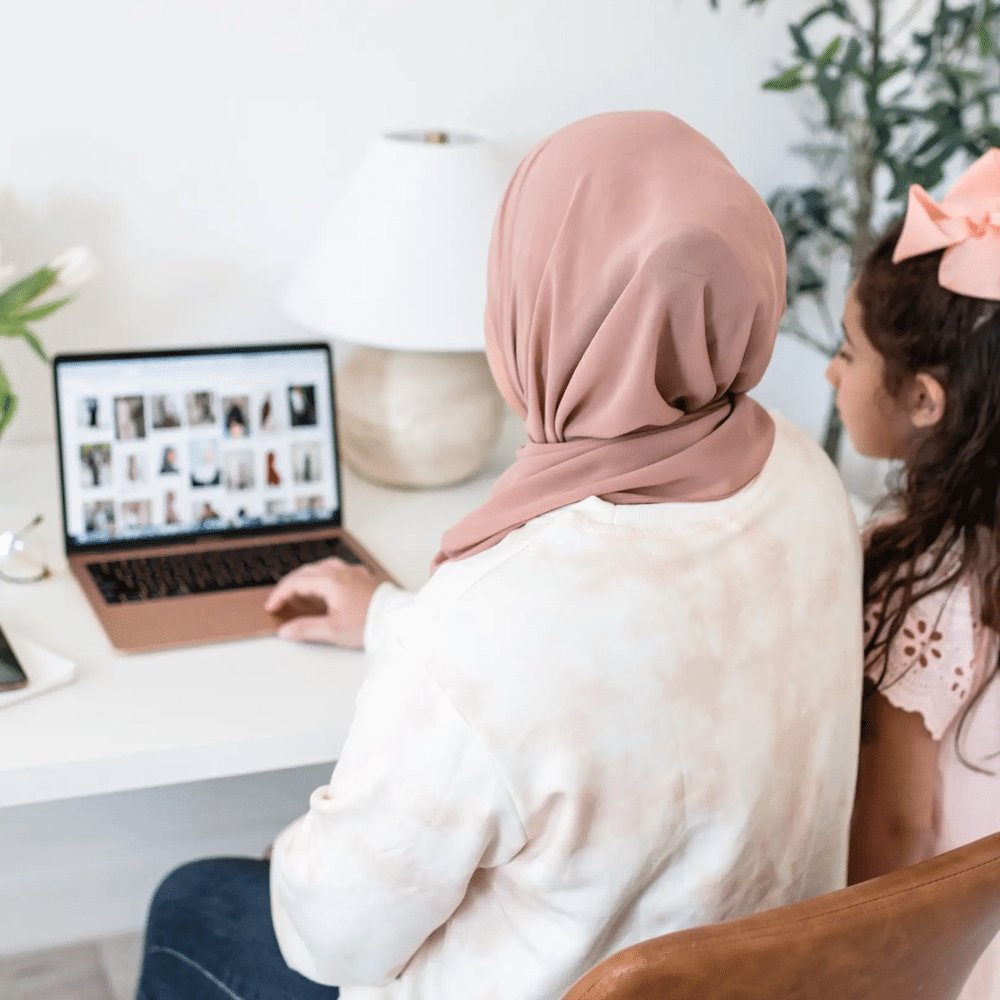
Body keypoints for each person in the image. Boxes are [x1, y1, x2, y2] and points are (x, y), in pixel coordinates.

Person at [136, 112, 864, 1000]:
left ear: (534, 307)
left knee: (195, 901)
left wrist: (299, 850)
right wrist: (391, 620)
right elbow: (616, 671)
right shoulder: (807, 479)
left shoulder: (496, 614)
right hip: (765, 979)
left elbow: (331, 939)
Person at [837, 150, 1000, 999]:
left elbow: (896, 834)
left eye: (848, 351)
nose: (832, 374)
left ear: (925, 401)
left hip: (951, 965)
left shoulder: (919, 580)